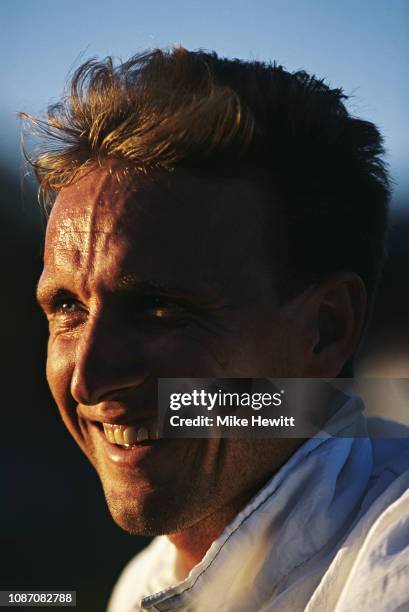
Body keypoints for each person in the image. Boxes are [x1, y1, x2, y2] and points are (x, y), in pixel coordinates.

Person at [24, 47, 409, 611]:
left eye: (159, 307)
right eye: (68, 309)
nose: (88, 379)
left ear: (325, 331)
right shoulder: (143, 584)